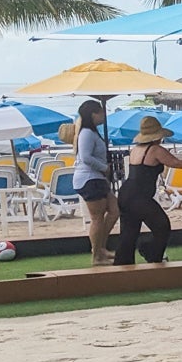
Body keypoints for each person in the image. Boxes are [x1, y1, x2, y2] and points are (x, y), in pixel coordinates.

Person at [113, 116, 182, 266]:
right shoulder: (155, 150)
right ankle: (151, 253)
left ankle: (122, 265)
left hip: (126, 193)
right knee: (162, 227)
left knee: (129, 233)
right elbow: (178, 164)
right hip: (139, 196)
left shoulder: (136, 149)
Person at [72, 99, 118, 265]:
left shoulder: (92, 132)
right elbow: (85, 157)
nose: (103, 115)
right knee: (97, 217)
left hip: (96, 178)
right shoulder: (86, 133)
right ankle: (97, 255)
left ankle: (100, 248)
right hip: (89, 178)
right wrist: (104, 167)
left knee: (114, 209)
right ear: (93, 114)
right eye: (101, 112)